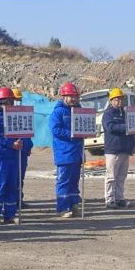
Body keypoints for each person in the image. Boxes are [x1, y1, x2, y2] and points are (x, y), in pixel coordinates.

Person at [0, 87, 23, 226]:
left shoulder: (12, 115)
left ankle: (10, 215)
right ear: (6, 100)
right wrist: (11, 144)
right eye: (12, 100)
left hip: (12, 156)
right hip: (0, 157)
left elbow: (18, 131)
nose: (14, 102)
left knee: (11, 186)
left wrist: (20, 142)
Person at [49, 83, 84, 218]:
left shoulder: (79, 110)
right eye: (70, 96)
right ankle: (62, 208)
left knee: (74, 181)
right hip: (64, 153)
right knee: (63, 181)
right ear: (64, 97)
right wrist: (72, 134)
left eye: (75, 96)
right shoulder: (58, 112)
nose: (73, 99)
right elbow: (55, 130)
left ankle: (74, 205)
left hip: (77, 151)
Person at [102, 88, 135, 209]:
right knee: (111, 176)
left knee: (121, 177)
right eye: (117, 99)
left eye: (121, 99)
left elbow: (131, 130)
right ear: (111, 101)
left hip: (125, 150)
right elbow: (110, 128)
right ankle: (110, 199)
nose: (119, 101)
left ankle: (119, 198)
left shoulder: (125, 113)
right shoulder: (108, 114)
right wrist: (126, 127)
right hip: (113, 150)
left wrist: (132, 146)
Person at [12, 89, 33, 208]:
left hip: (23, 151)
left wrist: (29, 146)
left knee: (20, 177)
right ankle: (11, 200)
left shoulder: (24, 114)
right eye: (16, 99)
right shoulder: (6, 115)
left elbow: (28, 133)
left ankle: (19, 199)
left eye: (19, 100)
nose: (18, 102)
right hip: (12, 151)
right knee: (12, 177)